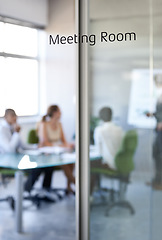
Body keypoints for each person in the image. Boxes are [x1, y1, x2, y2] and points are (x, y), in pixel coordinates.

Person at [0, 108, 53, 193]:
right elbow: (10, 149)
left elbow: (23, 146)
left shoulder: (13, 127)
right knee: (36, 168)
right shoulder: (2, 129)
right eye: (12, 116)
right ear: (6, 117)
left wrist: (37, 147)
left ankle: (45, 191)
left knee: (48, 166)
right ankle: (24, 192)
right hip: (7, 161)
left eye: (15, 115)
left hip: (17, 158)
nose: (15, 118)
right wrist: (16, 133)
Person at [37, 105, 75, 194]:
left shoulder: (59, 125)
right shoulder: (44, 124)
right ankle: (76, 182)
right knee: (64, 162)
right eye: (59, 111)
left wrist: (70, 145)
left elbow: (64, 141)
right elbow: (45, 142)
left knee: (71, 161)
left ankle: (68, 186)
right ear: (54, 113)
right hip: (47, 153)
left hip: (58, 151)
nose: (61, 113)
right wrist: (60, 146)